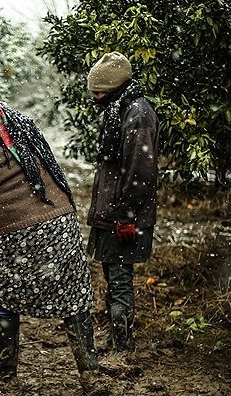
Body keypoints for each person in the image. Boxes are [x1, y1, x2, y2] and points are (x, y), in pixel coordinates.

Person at [0, 86, 104, 395]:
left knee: (5, 301)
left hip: (15, 231)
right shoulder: (23, 129)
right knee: (73, 297)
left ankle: (8, 380)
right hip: (61, 221)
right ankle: (91, 376)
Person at [85, 52, 159, 355]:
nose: (96, 97)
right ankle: (116, 342)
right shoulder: (120, 108)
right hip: (114, 212)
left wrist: (126, 216)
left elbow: (140, 170)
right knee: (113, 277)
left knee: (119, 278)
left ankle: (122, 350)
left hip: (125, 215)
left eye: (99, 91)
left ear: (114, 87)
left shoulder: (138, 114)